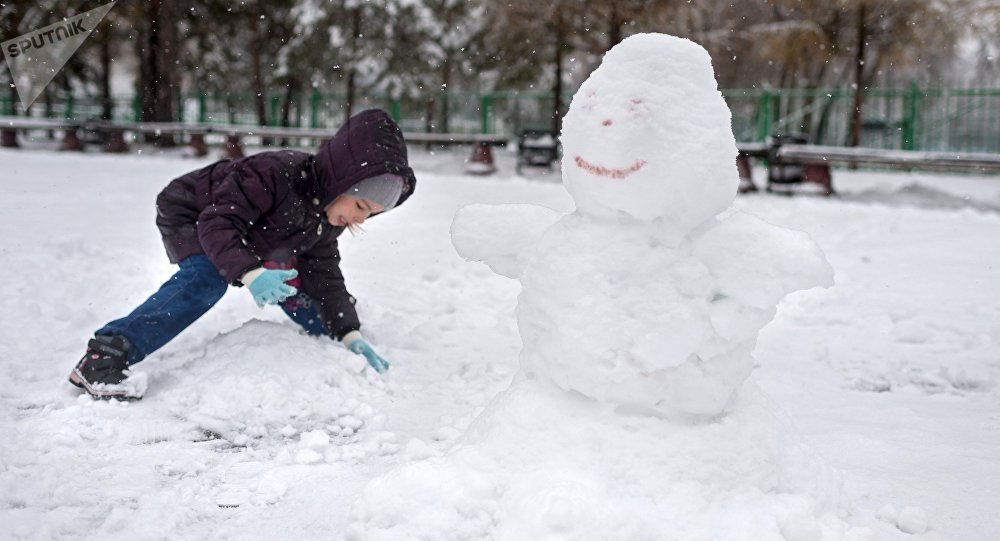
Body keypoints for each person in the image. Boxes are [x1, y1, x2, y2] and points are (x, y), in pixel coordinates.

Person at [68, 108, 417, 400]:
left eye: (369, 213)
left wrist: (347, 331)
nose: (359, 218)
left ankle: (332, 335)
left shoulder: (326, 220)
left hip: (257, 234)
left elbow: (324, 274)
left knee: (295, 286)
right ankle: (105, 355)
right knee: (207, 278)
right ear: (340, 180)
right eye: (358, 204)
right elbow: (217, 223)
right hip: (196, 213)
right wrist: (250, 273)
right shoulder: (275, 173)